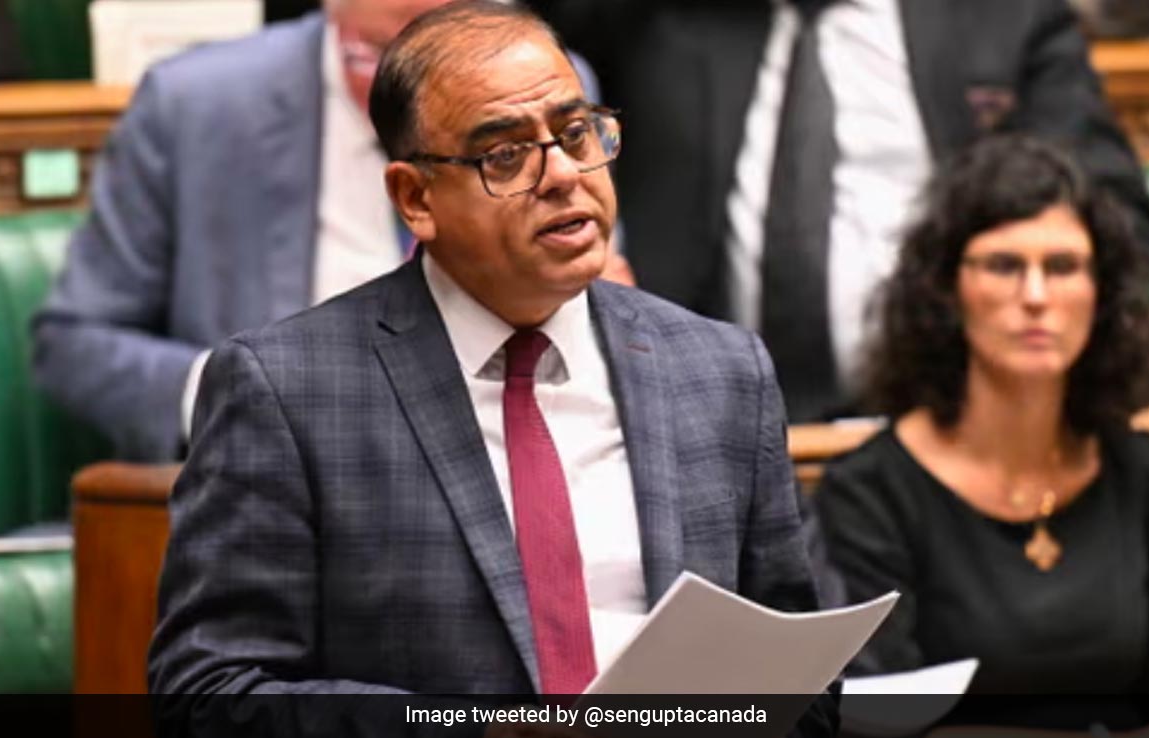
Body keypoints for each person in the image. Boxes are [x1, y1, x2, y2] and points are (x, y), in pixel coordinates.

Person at [147, 3, 838, 737]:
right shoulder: (287, 390)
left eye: (576, 134)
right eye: (506, 156)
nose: (563, 175)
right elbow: (207, 694)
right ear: (416, 198)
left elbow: (802, 682)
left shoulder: (721, 372)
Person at [30, 0, 619, 462]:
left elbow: (598, 291)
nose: (419, 97)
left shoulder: (539, 86)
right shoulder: (195, 105)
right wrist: (246, 399)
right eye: (382, 59)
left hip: (510, 456)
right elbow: (75, 342)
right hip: (274, 484)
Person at [529, 0, 1149, 423]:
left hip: (954, 440)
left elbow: (1116, 224)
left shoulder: (1002, 17)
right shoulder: (655, 20)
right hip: (705, 441)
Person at [815, 135, 1149, 725]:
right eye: (1004, 265)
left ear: (1102, 293)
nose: (1036, 296)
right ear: (945, 290)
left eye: (1063, 267)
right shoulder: (869, 495)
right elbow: (881, 715)